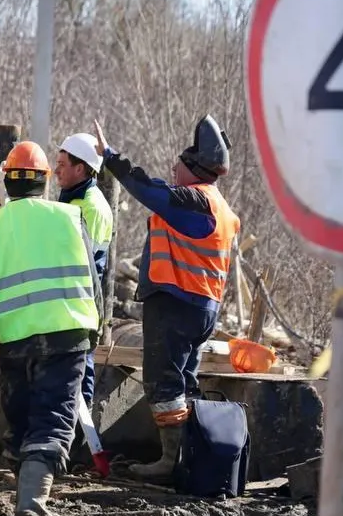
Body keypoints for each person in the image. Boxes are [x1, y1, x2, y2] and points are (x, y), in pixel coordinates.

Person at [91, 115, 241, 483]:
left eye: (178, 164)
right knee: (184, 381)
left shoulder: (194, 202)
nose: (173, 169)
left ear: (193, 168)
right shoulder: (221, 208)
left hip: (176, 302)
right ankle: (190, 458)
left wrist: (112, 157)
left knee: (163, 381)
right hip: (204, 308)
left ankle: (169, 463)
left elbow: (149, 190)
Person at [0, 140, 102, 516]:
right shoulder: (70, 217)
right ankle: (32, 497)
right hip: (68, 333)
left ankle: (30, 496)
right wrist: (95, 331)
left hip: (16, 340)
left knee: (23, 414)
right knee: (52, 414)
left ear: (6, 182)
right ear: (45, 180)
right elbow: (94, 283)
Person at [55, 133, 115, 408]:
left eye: (62, 164)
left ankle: (82, 435)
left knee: (80, 371)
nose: (56, 170)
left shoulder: (91, 207)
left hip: (79, 302)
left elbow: (80, 261)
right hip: (65, 300)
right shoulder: (72, 199)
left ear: (80, 168)